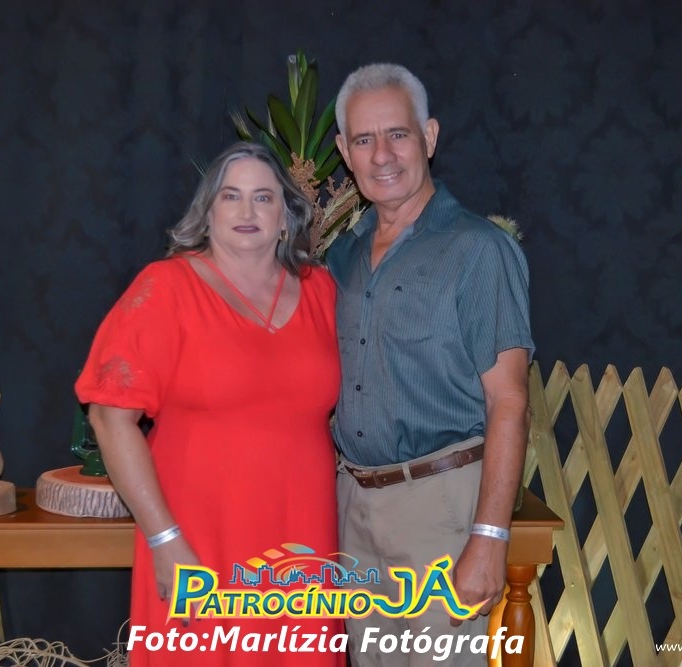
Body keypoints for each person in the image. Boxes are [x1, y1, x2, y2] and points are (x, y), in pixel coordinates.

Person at [75, 142, 344, 667]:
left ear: (286, 216)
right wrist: (165, 540)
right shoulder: (166, 288)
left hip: (303, 539)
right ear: (208, 212)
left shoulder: (322, 292)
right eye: (230, 196)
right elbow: (109, 418)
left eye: (263, 197)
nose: (247, 211)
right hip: (197, 538)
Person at [326, 63, 534, 666]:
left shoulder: (478, 250)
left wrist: (489, 537)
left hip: (441, 511)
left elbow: (509, 400)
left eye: (398, 134)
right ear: (344, 151)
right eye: (364, 139)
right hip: (355, 511)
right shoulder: (343, 258)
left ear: (430, 137)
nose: (382, 155)